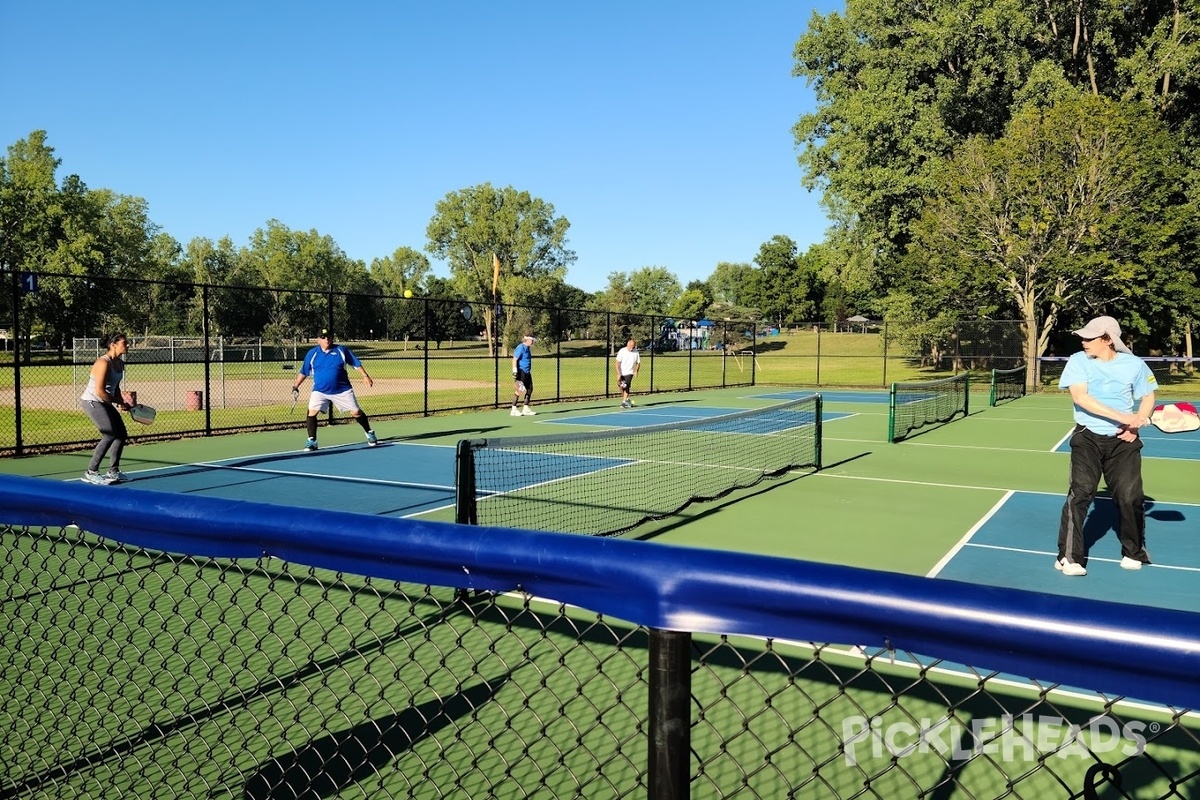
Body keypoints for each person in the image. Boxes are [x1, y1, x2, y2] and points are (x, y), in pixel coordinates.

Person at [1056, 315, 1156, 577]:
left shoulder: (1135, 365)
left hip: (1123, 442)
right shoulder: (1078, 361)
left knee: (1130, 497)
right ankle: (1069, 557)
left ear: (1108, 340)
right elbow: (1081, 398)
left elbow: (1148, 396)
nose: (1083, 341)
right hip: (1087, 437)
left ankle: (1134, 551)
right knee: (1081, 493)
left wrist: (1135, 425)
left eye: (1090, 337)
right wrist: (1126, 417)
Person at [292, 328, 377, 451]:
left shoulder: (341, 350)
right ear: (318, 340)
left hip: (342, 390)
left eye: (329, 337)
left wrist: (365, 376)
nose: (327, 339)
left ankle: (369, 432)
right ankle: (312, 441)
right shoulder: (312, 353)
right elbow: (304, 372)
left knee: (355, 412)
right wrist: (296, 386)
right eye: (323, 337)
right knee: (312, 412)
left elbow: (356, 364)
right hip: (320, 390)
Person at [80, 332, 133, 484]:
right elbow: (100, 392)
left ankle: (113, 472)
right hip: (93, 401)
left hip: (105, 402)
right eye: (125, 342)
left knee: (121, 434)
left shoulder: (120, 363)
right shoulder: (103, 363)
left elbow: (115, 387)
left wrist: (121, 401)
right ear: (113, 344)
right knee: (109, 434)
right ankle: (91, 471)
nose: (128, 345)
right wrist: (118, 401)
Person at [510, 334, 536, 416]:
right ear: (527, 340)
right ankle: (513, 409)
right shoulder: (520, 347)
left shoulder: (527, 348)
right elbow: (514, 359)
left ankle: (526, 408)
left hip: (527, 372)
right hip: (521, 372)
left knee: (530, 389)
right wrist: (515, 371)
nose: (532, 342)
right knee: (519, 390)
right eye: (531, 340)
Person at [615, 339, 641, 408]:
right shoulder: (622, 351)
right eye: (631, 346)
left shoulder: (636, 352)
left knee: (626, 386)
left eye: (633, 346)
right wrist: (618, 373)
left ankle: (623, 403)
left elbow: (638, 363)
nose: (632, 348)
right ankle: (627, 399)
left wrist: (636, 371)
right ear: (627, 345)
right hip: (621, 372)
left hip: (630, 372)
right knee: (621, 386)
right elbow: (617, 363)